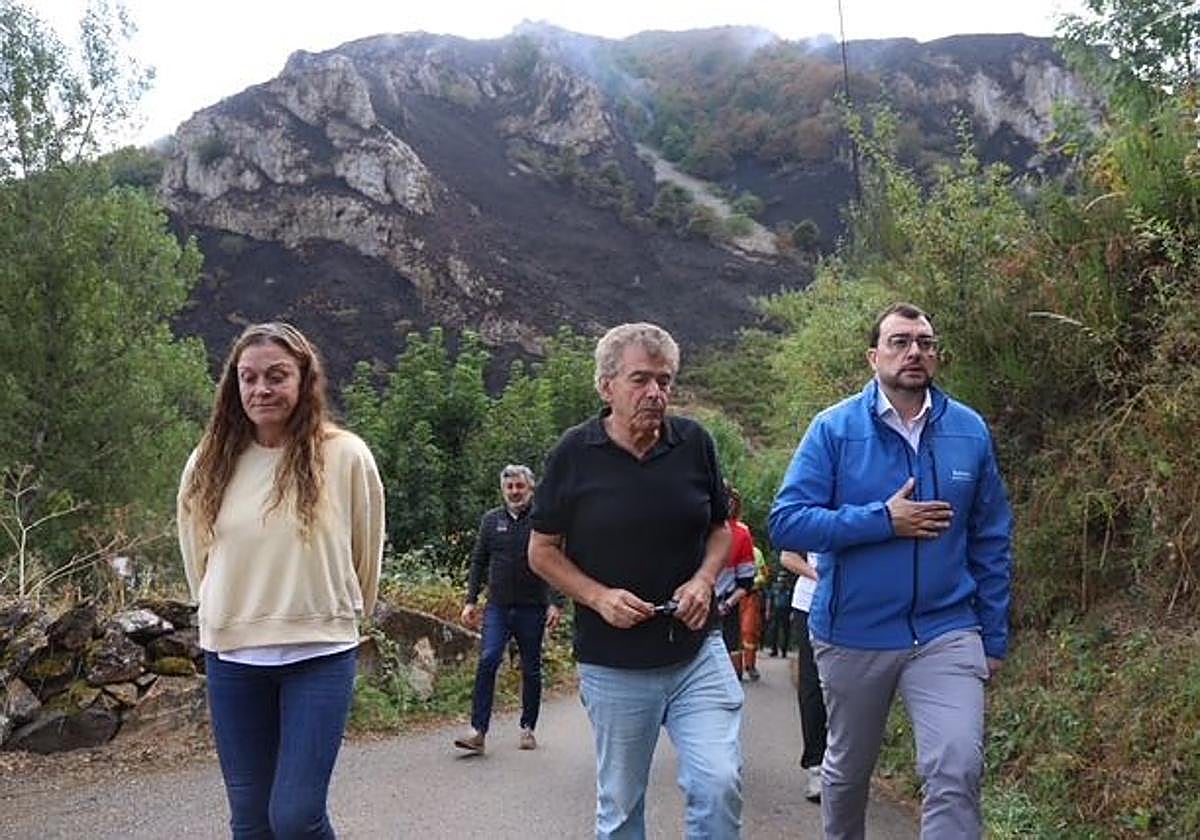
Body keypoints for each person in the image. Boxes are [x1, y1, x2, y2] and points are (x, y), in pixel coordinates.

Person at [768, 302, 1013, 840]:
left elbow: (991, 539)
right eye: (900, 342)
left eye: (925, 343)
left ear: (937, 355)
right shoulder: (833, 429)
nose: (914, 353)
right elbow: (786, 523)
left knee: (957, 767)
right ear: (873, 355)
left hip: (947, 629)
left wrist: (992, 637)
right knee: (848, 773)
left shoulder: (969, 430)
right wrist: (883, 520)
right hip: (853, 630)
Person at [528, 322, 743, 840]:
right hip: (614, 661)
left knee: (719, 784)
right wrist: (598, 597)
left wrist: (703, 579)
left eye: (664, 381)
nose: (655, 393)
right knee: (621, 809)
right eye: (640, 379)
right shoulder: (573, 454)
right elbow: (541, 551)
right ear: (606, 387)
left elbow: (720, 528)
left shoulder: (694, 443)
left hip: (696, 650)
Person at [178, 322, 385, 839]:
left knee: (295, 817)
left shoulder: (346, 456)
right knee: (250, 820)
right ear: (234, 386)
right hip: (234, 658)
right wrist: (222, 614)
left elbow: (366, 547)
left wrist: (341, 611)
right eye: (248, 378)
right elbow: (196, 554)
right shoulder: (208, 461)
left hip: (319, 654)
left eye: (276, 376)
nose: (261, 389)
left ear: (303, 380)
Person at [454, 464, 563, 754]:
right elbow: (479, 562)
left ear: (531, 489)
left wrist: (555, 602)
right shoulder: (491, 521)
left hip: (533, 607)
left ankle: (528, 727)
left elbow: (557, 562)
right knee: (488, 659)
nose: (515, 492)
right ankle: (477, 731)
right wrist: (470, 601)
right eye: (510, 487)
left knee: (531, 668)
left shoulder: (542, 520)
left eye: (520, 487)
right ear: (503, 490)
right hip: (498, 607)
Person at [780, 550, 826, 804]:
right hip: (811, 605)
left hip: (859, 606)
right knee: (813, 685)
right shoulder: (812, 508)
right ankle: (816, 764)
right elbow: (788, 557)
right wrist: (822, 576)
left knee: (849, 687)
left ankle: (844, 763)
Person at [715, 486, 755, 680]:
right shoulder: (697, 526)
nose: (728, 504)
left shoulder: (742, 534)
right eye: (724, 499)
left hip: (726, 602)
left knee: (731, 648)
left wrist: (728, 603)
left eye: (732, 501)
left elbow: (746, 583)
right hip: (695, 601)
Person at [739, 543, 769, 681]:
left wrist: (753, 582)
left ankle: (750, 666)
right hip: (732, 595)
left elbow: (764, 574)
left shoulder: (756, 553)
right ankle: (735, 668)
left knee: (749, 631)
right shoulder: (730, 547)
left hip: (751, 595)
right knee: (732, 632)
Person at [764, 559, 795, 658]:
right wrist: (768, 611)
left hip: (786, 611)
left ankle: (784, 651)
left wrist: (792, 613)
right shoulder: (775, 587)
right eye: (781, 577)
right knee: (774, 630)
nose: (782, 579)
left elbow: (792, 602)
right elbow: (769, 598)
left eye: (784, 577)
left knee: (786, 632)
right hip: (776, 610)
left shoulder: (789, 588)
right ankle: (774, 650)